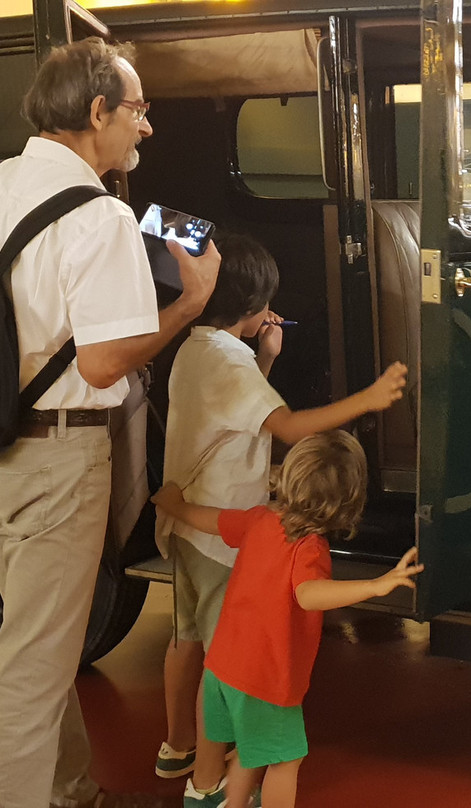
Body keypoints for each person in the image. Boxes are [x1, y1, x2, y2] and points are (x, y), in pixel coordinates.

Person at [0, 37, 221, 808]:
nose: (146, 127)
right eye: (137, 109)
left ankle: (67, 789)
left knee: (34, 646)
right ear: (96, 111)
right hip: (55, 460)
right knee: (29, 673)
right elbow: (102, 365)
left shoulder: (1, 184)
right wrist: (190, 303)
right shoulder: (100, 218)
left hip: (2, 440)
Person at [153, 231, 408, 807]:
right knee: (225, 659)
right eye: (263, 304)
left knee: (188, 640)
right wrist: (366, 399)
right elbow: (289, 428)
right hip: (220, 543)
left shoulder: (199, 348)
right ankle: (209, 782)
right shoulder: (229, 362)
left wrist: (264, 356)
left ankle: (177, 750)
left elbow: (240, 412)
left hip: (196, 526)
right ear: (249, 310)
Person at [152, 430, 423, 808]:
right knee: (283, 761)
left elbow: (213, 520)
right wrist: (376, 585)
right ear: (348, 501)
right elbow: (308, 594)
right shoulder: (310, 548)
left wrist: (175, 507)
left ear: (288, 475)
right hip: (265, 679)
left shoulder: (260, 520)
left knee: (247, 751)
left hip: (221, 668)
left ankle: (207, 798)